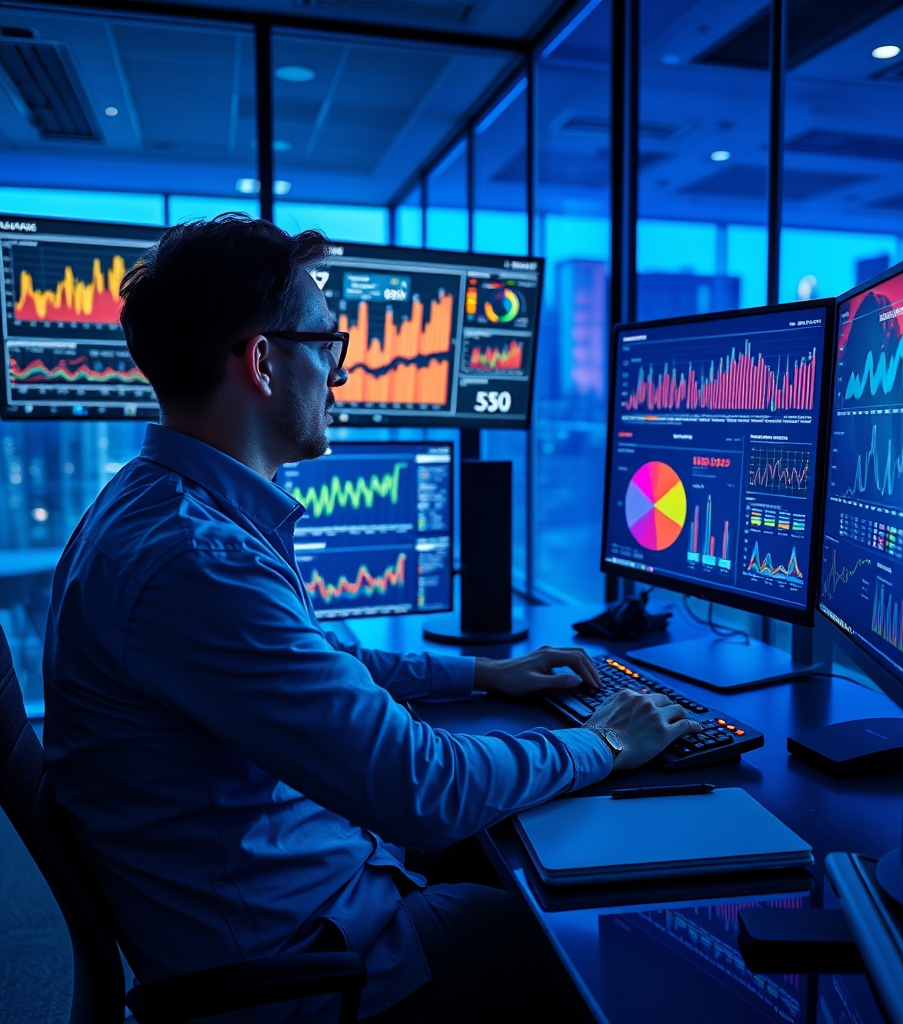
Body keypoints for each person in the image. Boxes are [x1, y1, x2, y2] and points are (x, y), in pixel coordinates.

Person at [42, 215, 700, 1022]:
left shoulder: (163, 505)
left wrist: (482, 673)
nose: (340, 376)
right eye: (327, 346)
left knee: (533, 842)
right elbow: (417, 788)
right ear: (262, 362)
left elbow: (315, 657)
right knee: (597, 940)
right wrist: (604, 742)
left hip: (291, 891)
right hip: (307, 972)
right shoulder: (196, 560)